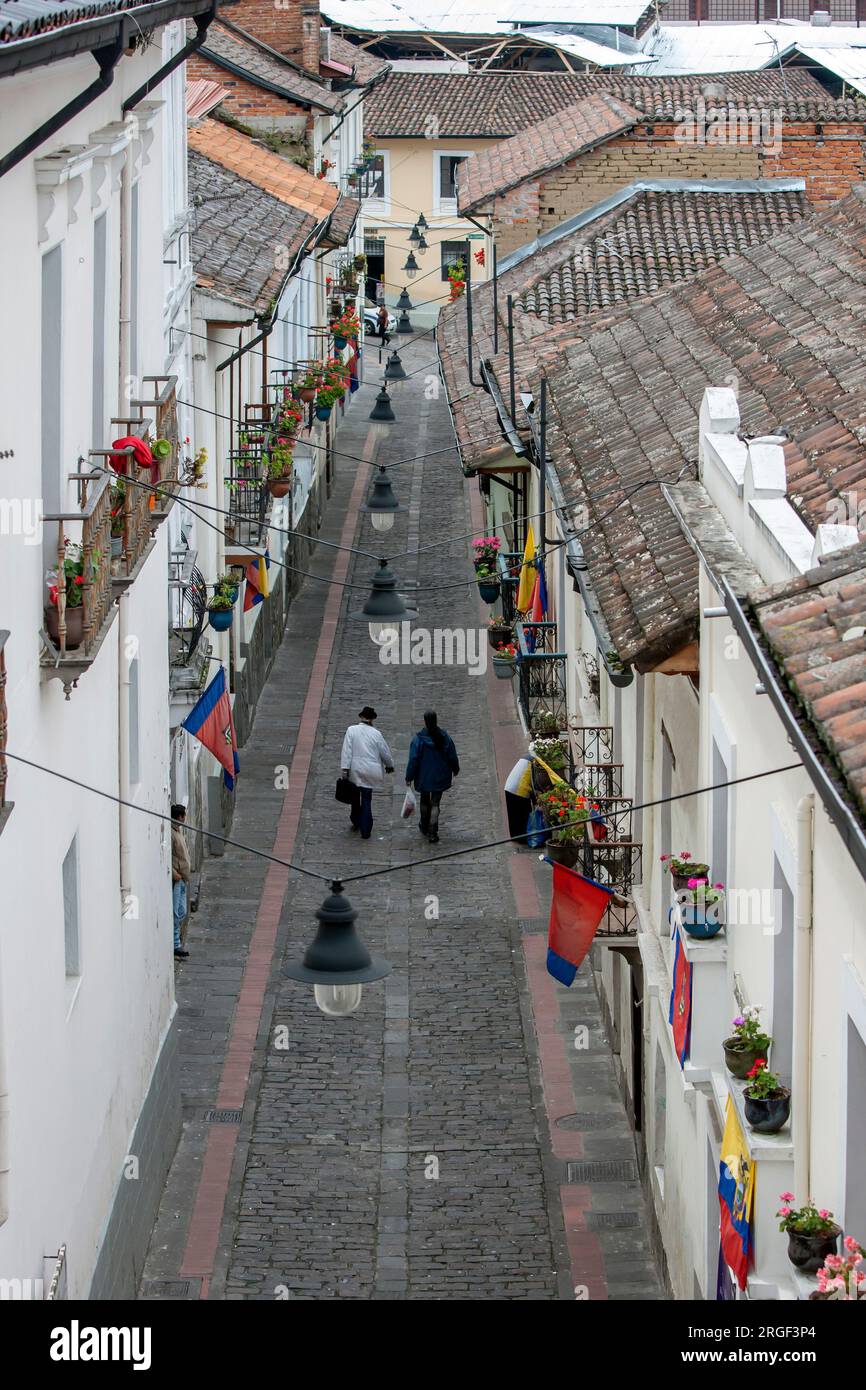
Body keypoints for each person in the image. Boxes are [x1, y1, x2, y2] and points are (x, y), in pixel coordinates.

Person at [405, 711, 460, 844]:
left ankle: (424, 824)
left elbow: (413, 760)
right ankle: (433, 831)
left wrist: (409, 777)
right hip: (439, 776)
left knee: (425, 800)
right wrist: (455, 769)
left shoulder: (419, 740)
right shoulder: (444, 737)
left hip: (423, 776)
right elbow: (452, 755)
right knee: (436, 803)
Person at [340, 706, 394, 839]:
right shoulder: (376, 734)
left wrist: (345, 769)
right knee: (366, 799)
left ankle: (355, 819)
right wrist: (389, 765)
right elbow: (384, 752)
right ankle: (366, 830)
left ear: (361, 717)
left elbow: (347, 751)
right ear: (372, 719)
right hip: (371, 770)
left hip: (355, 769)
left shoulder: (351, 730)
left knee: (354, 797)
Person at [171, 804, 191, 960]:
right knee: (176, 913)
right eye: (183, 815)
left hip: (183, 878)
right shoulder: (171, 834)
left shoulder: (178, 830)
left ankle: (176, 942)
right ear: (179, 817)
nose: (184, 818)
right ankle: (176, 944)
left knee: (182, 911)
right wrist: (174, 873)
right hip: (177, 879)